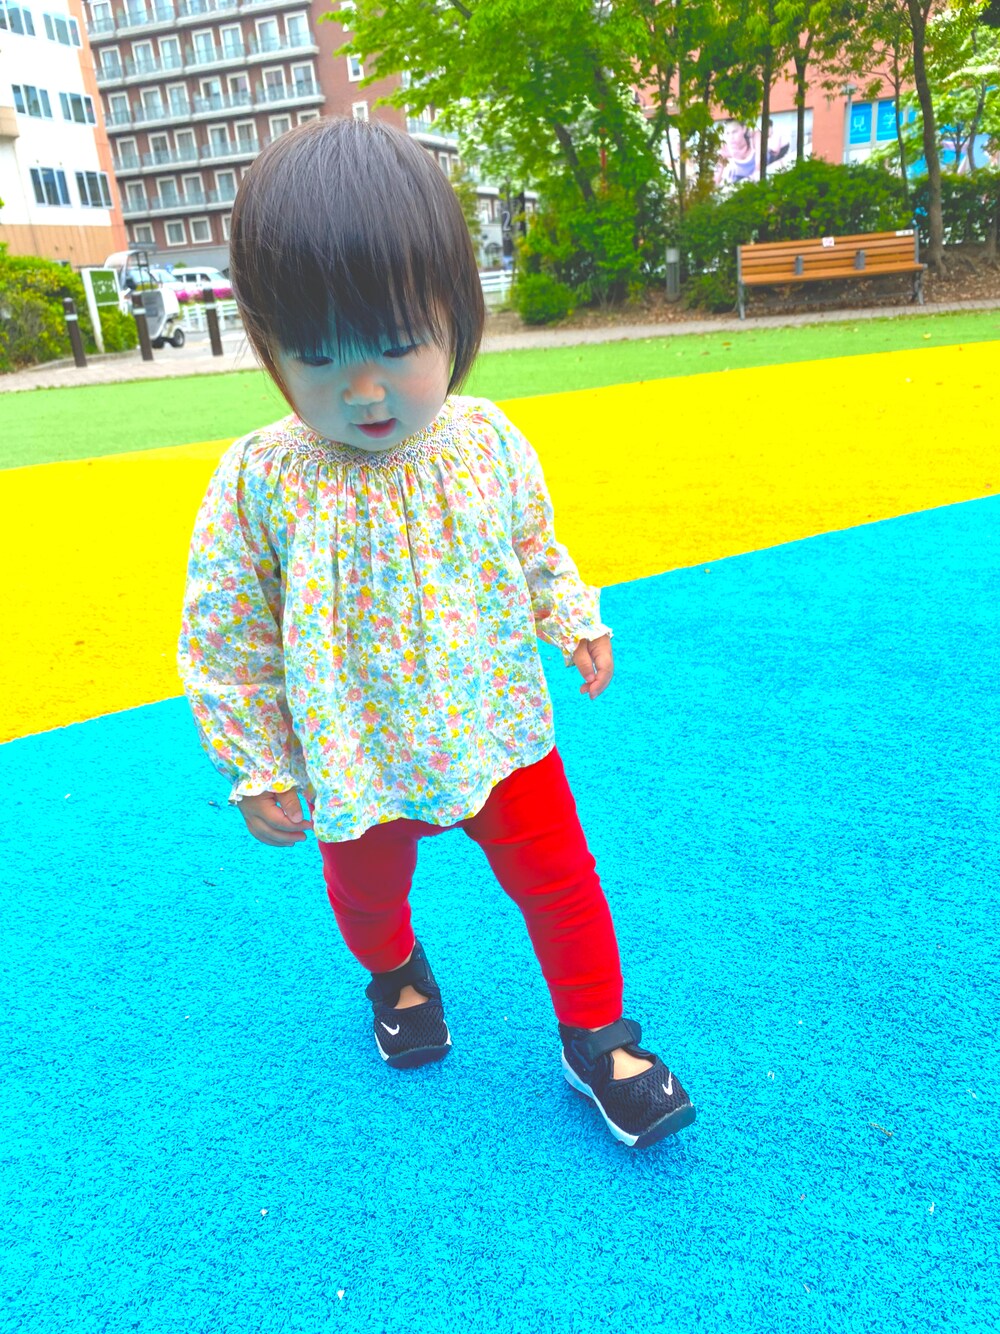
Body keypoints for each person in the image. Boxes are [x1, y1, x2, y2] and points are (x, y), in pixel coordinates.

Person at [177, 117, 696, 1149]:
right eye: (317, 356)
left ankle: (599, 1036)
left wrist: (570, 614)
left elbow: (532, 541)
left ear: (456, 316)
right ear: (268, 348)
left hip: (494, 723)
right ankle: (397, 974)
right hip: (357, 748)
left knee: (563, 881)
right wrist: (254, 760)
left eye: (397, 346)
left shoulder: (485, 438)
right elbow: (226, 632)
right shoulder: (260, 478)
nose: (363, 390)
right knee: (367, 897)